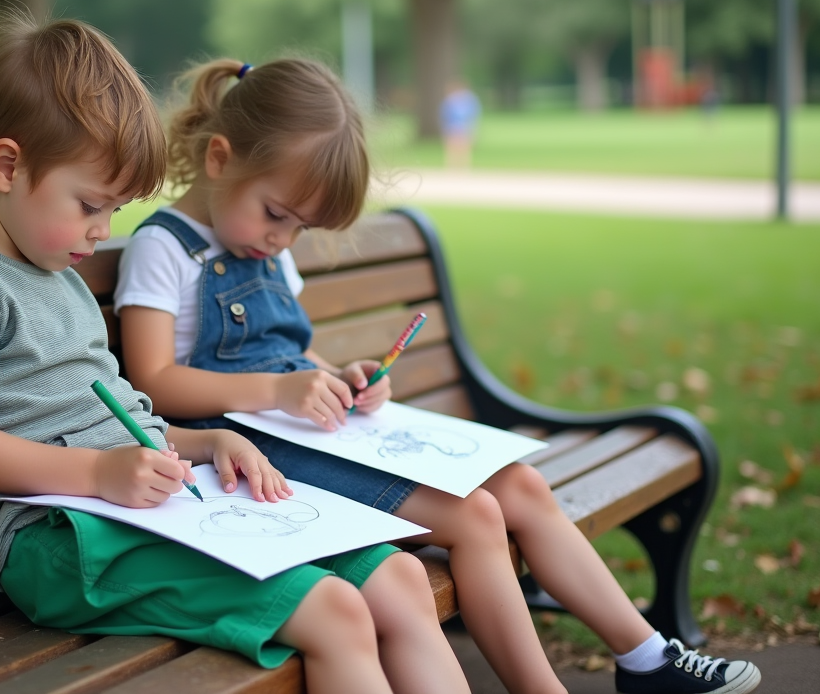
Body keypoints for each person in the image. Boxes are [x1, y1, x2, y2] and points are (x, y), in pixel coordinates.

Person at [115, 57, 762, 694]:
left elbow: (287, 355)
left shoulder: (263, 248)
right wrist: (279, 390)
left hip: (308, 430)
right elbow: (153, 381)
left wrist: (340, 376)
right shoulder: (163, 248)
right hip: (250, 453)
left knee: (522, 487)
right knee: (476, 516)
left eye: (300, 227)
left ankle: (647, 657)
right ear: (221, 159)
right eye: (277, 214)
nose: (283, 239)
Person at [0, 11, 472, 694]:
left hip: (139, 510)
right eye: (89, 205)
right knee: (336, 612)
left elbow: (118, 421)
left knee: (398, 577)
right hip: (61, 542)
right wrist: (101, 474)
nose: (102, 232)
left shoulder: (54, 272)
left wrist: (202, 444)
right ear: (7, 165)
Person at [440, 80, 480, 169]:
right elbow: (445, 116)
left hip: (464, 126)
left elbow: (473, 115)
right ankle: (452, 167)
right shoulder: (450, 100)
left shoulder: (469, 100)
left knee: (464, 148)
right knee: (452, 148)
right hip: (453, 126)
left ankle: (463, 167)